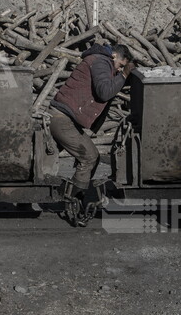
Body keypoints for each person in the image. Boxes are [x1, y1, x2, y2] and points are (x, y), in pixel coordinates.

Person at [48, 43, 135, 225]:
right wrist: (124, 75)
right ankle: (72, 203)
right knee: (89, 157)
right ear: (115, 56)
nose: (118, 69)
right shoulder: (102, 62)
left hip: (65, 118)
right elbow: (104, 92)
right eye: (120, 65)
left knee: (91, 156)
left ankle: (75, 196)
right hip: (62, 119)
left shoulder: (99, 60)